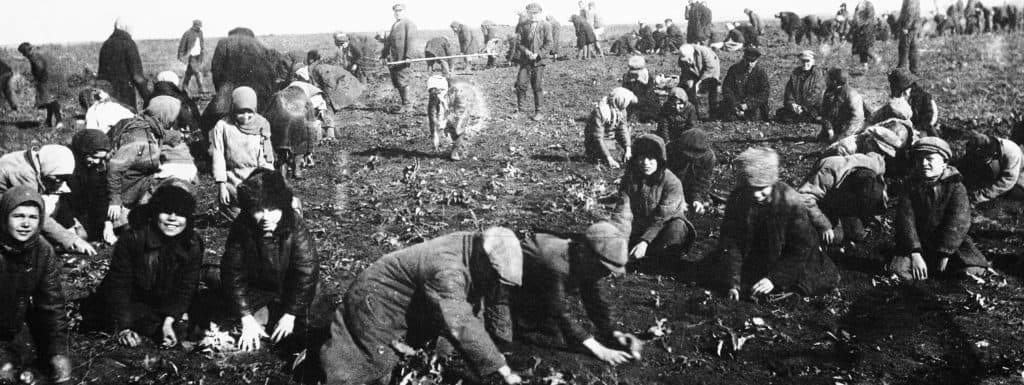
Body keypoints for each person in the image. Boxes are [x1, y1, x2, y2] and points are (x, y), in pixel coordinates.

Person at [320, 227, 525, 385]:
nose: (494, 283)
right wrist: (500, 368)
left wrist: (491, 354)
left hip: (406, 301)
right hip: (375, 298)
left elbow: (471, 309)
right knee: (367, 362)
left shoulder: (470, 247)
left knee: (392, 358)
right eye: (494, 276)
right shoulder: (447, 268)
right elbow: (460, 322)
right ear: (483, 258)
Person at [87, 183, 201, 349]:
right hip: (133, 300)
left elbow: (187, 286)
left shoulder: (192, 243)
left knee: (189, 328)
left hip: (164, 300)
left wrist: (170, 320)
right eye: (166, 212)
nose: (173, 219)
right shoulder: (133, 239)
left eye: (180, 214)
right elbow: (119, 285)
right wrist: (122, 328)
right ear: (155, 214)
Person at [508, 222, 639, 365]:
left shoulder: (585, 260)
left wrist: (613, 332)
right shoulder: (554, 263)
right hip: (503, 283)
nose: (605, 274)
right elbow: (559, 310)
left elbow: (596, 298)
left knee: (556, 329)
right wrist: (601, 351)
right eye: (603, 268)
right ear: (585, 252)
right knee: (542, 331)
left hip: (536, 280)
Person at [721, 147, 840, 300]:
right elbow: (731, 242)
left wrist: (774, 279)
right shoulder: (737, 199)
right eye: (752, 189)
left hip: (789, 258)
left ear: (772, 182)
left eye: (762, 189)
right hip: (756, 253)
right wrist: (733, 282)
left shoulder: (790, 202)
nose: (757, 195)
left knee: (807, 282)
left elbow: (802, 247)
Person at [888, 137, 989, 280]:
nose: (924, 164)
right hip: (918, 242)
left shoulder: (956, 187)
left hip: (950, 245)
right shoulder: (910, 186)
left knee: (971, 271)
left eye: (930, 159)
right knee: (897, 272)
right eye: (919, 159)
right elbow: (905, 221)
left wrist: (945, 254)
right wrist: (915, 253)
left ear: (944, 163)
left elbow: (957, 223)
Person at [0, 186, 72, 384]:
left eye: (32, 217)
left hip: (14, 325)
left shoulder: (42, 250)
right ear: (4, 216)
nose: (25, 224)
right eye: (18, 216)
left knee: (52, 368)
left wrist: (58, 352)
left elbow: (52, 304)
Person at [0, 145, 96, 256]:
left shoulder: (37, 161)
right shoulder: (23, 172)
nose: (59, 181)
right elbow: (36, 211)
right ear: (49, 167)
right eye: (57, 177)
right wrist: (71, 239)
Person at [616, 134, 696, 263]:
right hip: (638, 225)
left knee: (676, 228)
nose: (645, 163)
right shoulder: (629, 179)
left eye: (651, 158)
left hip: (663, 227)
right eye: (642, 158)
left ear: (659, 160)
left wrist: (644, 241)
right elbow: (622, 212)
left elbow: (662, 218)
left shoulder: (672, 182)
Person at [798, 149, 888, 250]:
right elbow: (804, 197)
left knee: (858, 234)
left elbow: (878, 158)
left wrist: (880, 194)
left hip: (844, 196)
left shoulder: (873, 165)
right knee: (835, 237)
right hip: (822, 199)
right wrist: (823, 225)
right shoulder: (828, 173)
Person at [209, 87, 275, 218]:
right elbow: (218, 156)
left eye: (249, 112)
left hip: (256, 179)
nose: (245, 117)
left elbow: (266, 156)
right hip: (233, 180)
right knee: (237, 218)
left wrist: (268, 182)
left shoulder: (262, 124)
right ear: (233, 109)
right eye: (240, 112)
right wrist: (222, 186)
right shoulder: (223, 126)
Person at [68, 129, 115, 244]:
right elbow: (64, 199)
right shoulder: (68, 164)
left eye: (101, 158)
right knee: (81, 236)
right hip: (67, 210)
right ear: (84, 152)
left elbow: (101, 194)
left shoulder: (96, 168)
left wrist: (107, 222)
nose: (97, 161)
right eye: (94, 157)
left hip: (85, 209)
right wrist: (73, 222)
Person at [957, 132, 1024, 204]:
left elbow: (1007, 181)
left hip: (1018, 175)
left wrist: (978, 196)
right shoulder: (982, 143)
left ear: (994, 154)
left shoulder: (1012, 153)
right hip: (997, 167)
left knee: (1017, 193)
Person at [98, 17, 148, 110]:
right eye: (130, 26)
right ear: (120, 26)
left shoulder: (106, 44)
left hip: (107, 96)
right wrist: (147, 97)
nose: (132, 29)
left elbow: (101, 76)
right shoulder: (129, 44)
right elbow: (137, 76)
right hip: (125, 96)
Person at [513, 3, 552, 121]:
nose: (533, 15)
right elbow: (519, 43)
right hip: (526, 60)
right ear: (527, 13)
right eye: (530, 13)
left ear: (540, 13)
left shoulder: (546, 25)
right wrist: (526, 52)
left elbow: (549, 43)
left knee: (537, 86)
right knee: (520, 84)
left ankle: (539, 112)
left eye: (535, 13)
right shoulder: (523, 25)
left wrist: (538, 54)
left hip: (539, 62)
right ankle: (520, 110)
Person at [666, 129, 716, 215]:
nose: (693, 157)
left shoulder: (708, 157)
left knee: (704, 206)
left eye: (697, 156)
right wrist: (676, 198)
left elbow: (703, 181)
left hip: (690, 186)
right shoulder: (669, 151)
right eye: (690, 155)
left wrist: (697, 199)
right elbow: (664, 179)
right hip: (670, 187)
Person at [584, 88, 637, 168]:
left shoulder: (621, 110)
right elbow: (597, 138)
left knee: (629, 155)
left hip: (611, 140)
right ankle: (599, 157)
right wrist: (609, 158)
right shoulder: (600, 112)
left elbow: (623, 129)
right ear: (621, 101)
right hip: (596, 143)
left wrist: (628, 148)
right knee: (615, 159)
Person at [17, 43, 64, 128]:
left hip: (45, 80)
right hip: (47, 79)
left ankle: (59, 121)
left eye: (23, 53)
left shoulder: (33, 57)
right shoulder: (35, 54)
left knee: (52, 101)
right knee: (48, 102)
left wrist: (37, 79)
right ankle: (49, 121)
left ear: (26, 51)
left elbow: (40, 67)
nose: (23, 55)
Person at [382, 3, 417, 114]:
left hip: (403, 59)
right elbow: (388, 42)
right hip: (394, 59)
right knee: (397, 82)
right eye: (395, 11)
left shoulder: (409, 24)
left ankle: (407, 105)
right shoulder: (395, 25)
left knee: (403, 81)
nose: (397, 13)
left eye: (400, 10)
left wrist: (408, 56)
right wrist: (384, 55)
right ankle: (404, 104)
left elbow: (411, 41)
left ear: (405, 11)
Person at [721, 47, 771, 122]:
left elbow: (764, 94)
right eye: (747, 60)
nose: (749, 64)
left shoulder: (761, 73)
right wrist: (734, 104)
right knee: (728, 116)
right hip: (736, 103)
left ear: (756, 61)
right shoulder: (734, 69)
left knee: (754, 117)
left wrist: (748, 105)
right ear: (743, 58)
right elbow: (727, 88)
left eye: (752, 61)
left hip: (753, 105)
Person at [775, 50, 826, 123]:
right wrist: (792, 104)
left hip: (811, 107)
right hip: (797, 107)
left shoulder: (817, 75)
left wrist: (803, 107)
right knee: (781, 113)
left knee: (811, 114)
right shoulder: (795, 74)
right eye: (803, 61)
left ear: (813, 62)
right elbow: (789, 91)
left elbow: (815, 94)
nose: (805, 64)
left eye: (808, 61)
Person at [819, 68, 865, 142]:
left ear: (834, 82)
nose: (825, 80)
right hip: (837, 125)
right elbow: (824, 113)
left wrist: (844, 136)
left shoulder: (852, 95)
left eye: (827, 78)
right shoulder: (828, 92)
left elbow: (857, 119)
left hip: (852, 128)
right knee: (822, 139)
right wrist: (829, 130)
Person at [888, 68, 937, 136]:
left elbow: (930, 117)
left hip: (922, 128)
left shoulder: (923, 97)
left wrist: (919, 129)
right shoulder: (899, 96)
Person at [677, 44, 721, 119]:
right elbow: (685, 74)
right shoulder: (682, 60)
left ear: (692, 54)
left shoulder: (705, 52)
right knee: (689, 87)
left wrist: (699, 82)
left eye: (688, 58)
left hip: (711, 70)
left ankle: (714, 113)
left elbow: (710, 68)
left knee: (714, 88)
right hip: (694, 72)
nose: (687, 61)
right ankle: (694, 112)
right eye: (685, 59)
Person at [621, 56, 656, 121]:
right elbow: (624, 89)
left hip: (644, 97)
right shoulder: (627, 76)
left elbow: (649, 91)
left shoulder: (647, 76)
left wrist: (641, 82)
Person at [177, 19, 205, 93]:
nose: (199, 28)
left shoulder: (200, 33)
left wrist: (202, 53)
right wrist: (180, 56)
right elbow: (182, 45)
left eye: (200, 27)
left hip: (198, 55)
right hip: (191, 55)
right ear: (194, 26)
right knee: (197, 71)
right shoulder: (187, 33)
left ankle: (184, 87)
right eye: (198, 26)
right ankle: (201, 88)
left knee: (189, 73)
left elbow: (202, 44)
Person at [851, 1, 880, 71]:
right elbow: (856, 16)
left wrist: (862, 25)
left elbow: (869, 17)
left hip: (866, 29)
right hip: (861, 29)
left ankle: (876, 57)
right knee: (861, 48)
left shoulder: (868, 5)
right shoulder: (860, 5)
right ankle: (865, 65)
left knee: (865, 47)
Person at [897, 0, 921, 74]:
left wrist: (906, 26)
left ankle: (901, 71)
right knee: (913, 49)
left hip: (909, 28)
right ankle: (914, 70)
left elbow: (910, 11)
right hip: (913, 26)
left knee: (904, 48)